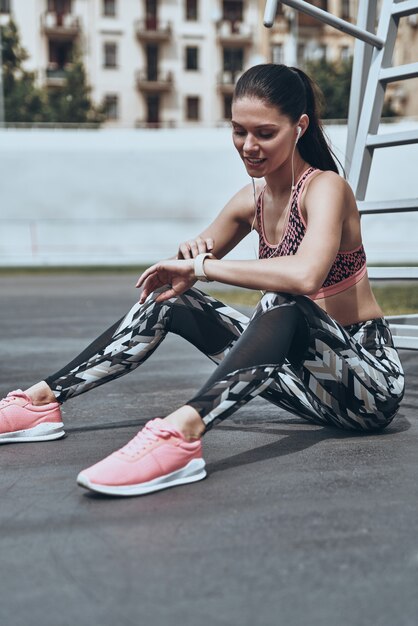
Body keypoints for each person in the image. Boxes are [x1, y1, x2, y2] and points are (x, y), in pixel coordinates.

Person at [0, 64, 404, 497]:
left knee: (283, 302)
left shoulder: (326, 189)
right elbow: (179, 276)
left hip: (365, 388)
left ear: (299, 127)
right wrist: (189, 256)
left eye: (265, 133)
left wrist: (202, 269)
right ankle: (42, 401)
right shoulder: (251, 202)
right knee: (170, 300)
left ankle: (182, 434)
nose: (249, 146)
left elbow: (306, 276)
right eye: (238, 131)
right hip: (304, 388)